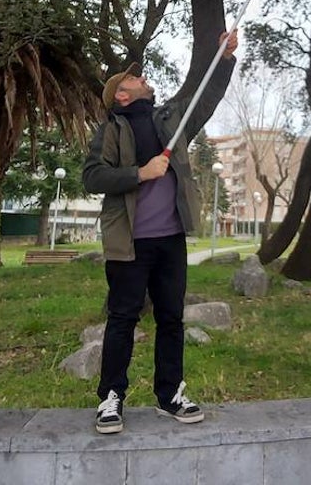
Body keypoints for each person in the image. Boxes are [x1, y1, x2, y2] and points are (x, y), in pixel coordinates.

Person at [82, 30, 238, 435]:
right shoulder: (111, 131)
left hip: (170, 240)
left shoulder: (170, 118)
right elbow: (93, 176)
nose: (141, 77)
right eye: (133, 78)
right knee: (122, 320)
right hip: (129, 244)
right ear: (121, 95)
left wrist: (223, 60)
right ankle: (111, 397)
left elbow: (205, 97)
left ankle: (170, 395)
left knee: (171, 319)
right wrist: (140, 173)